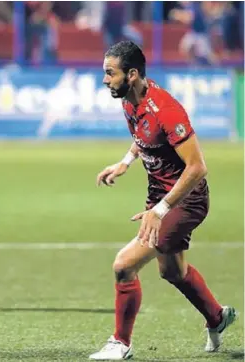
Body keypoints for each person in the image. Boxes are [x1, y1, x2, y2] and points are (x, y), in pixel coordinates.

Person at [89, 41, 236, 360]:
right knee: (171, 271)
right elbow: (141, 138)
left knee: (124, 265)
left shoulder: (166, 109)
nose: (105, 80)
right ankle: (217, 317)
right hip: (160, 194)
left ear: (131, 74)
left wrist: (160, 210)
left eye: (109, 73)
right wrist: (125, 163)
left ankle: (121, 343)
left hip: (186, 199)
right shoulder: (128, 100)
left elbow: (198, 168)